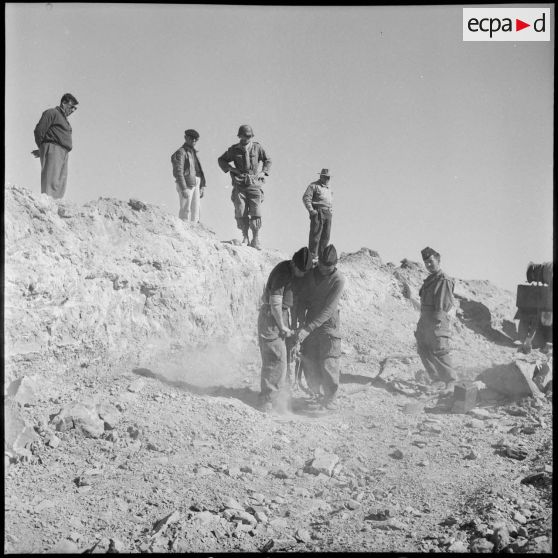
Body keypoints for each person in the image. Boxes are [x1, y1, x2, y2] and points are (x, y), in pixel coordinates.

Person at [258, 247, 313, 413]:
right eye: (300, 271)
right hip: (272, 317)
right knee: (275, 358)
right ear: (294, 264)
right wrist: (282, 326)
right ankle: (267, 401)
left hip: (282, 315)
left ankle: (278, 398)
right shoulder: (282, 272)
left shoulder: (296, 273)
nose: (302, 275)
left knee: (284, 359)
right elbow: (275, 302)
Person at [294, 244, 346, 410]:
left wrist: (307, 329)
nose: (323, 271)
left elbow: (328, 309)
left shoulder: (338, 279)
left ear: (335, 265)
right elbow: (301, 299)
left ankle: (330, 399)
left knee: (329, 361)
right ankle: (316, 393)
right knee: (309, 358)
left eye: (328, 268)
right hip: (309, 320)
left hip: (328, 324)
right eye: (321, 267)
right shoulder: (311, 273)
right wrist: (300, 321)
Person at [217, 125, 272, 249]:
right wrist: (231, 169)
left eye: (249, 136)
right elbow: (221, 160)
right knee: (241, 211)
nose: (247, 138)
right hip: (240, 182)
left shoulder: (257, 147)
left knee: (255, 212)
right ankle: (245, 236)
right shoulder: (234, 149)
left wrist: (264, 172)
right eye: (245, 136)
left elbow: (267, 160)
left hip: (254, 182)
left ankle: (256, 238)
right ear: (240, 136)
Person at [414, 247, 457, 390]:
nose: (429, 265)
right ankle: (437, 379)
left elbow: (443, 305)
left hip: (437, 320)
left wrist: (436, 324)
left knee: (440, 350)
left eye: (431, 261)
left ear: (438, 260)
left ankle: (451, 381)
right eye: (426, 263)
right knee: (423, 349)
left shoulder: (443, 279)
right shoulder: (430, 280)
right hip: (425, 320)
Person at [33, 93, 79, 199]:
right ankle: (47, 207)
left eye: (74, 109)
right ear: (63, 103)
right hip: (54, 149)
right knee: (51, 181)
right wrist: (43, 148)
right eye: (71, 107)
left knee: (60, 185)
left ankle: (54, 209)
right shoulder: (52, 113)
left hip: (63, 152)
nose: (72, 110)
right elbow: (39, 130)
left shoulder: (65, 120)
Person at [171, 129, 207, 222]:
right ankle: (184, 233)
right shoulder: (181, 152)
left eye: (196, 139)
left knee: (196, 211)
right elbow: (178, 172)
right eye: (191, 138)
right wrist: (183, 188)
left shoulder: (194, 152)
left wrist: (202, 186)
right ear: (186, 138)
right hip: (186, 183)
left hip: (196, 182)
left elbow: (199, 170)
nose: (194, 141)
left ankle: (194, 233)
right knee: (185, 210)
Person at [302, 169, 333, 261]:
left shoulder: (329, 188)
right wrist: (311, 210)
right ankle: (312, 257)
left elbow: (330, 201)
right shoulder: (313, 186)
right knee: (315, 236)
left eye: (329, 177)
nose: (327, 179)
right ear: (321, 176)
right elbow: (306, 198)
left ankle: (322, 257)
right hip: (318, 212)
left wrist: (331, 211)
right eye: (325, 177)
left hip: (327, 213)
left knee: (326, 236)